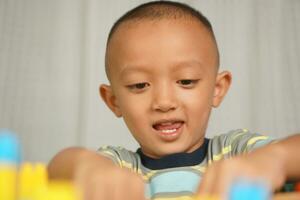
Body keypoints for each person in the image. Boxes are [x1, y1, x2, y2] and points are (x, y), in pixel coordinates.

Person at [47, 1, 300, 200]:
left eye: (186, 81)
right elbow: (58, 168)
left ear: (217, 89)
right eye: (139, 85)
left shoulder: (234, 154)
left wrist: (273, 160)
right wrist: (88, 168)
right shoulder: (120, 169)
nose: (164, 102)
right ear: (113, 101)